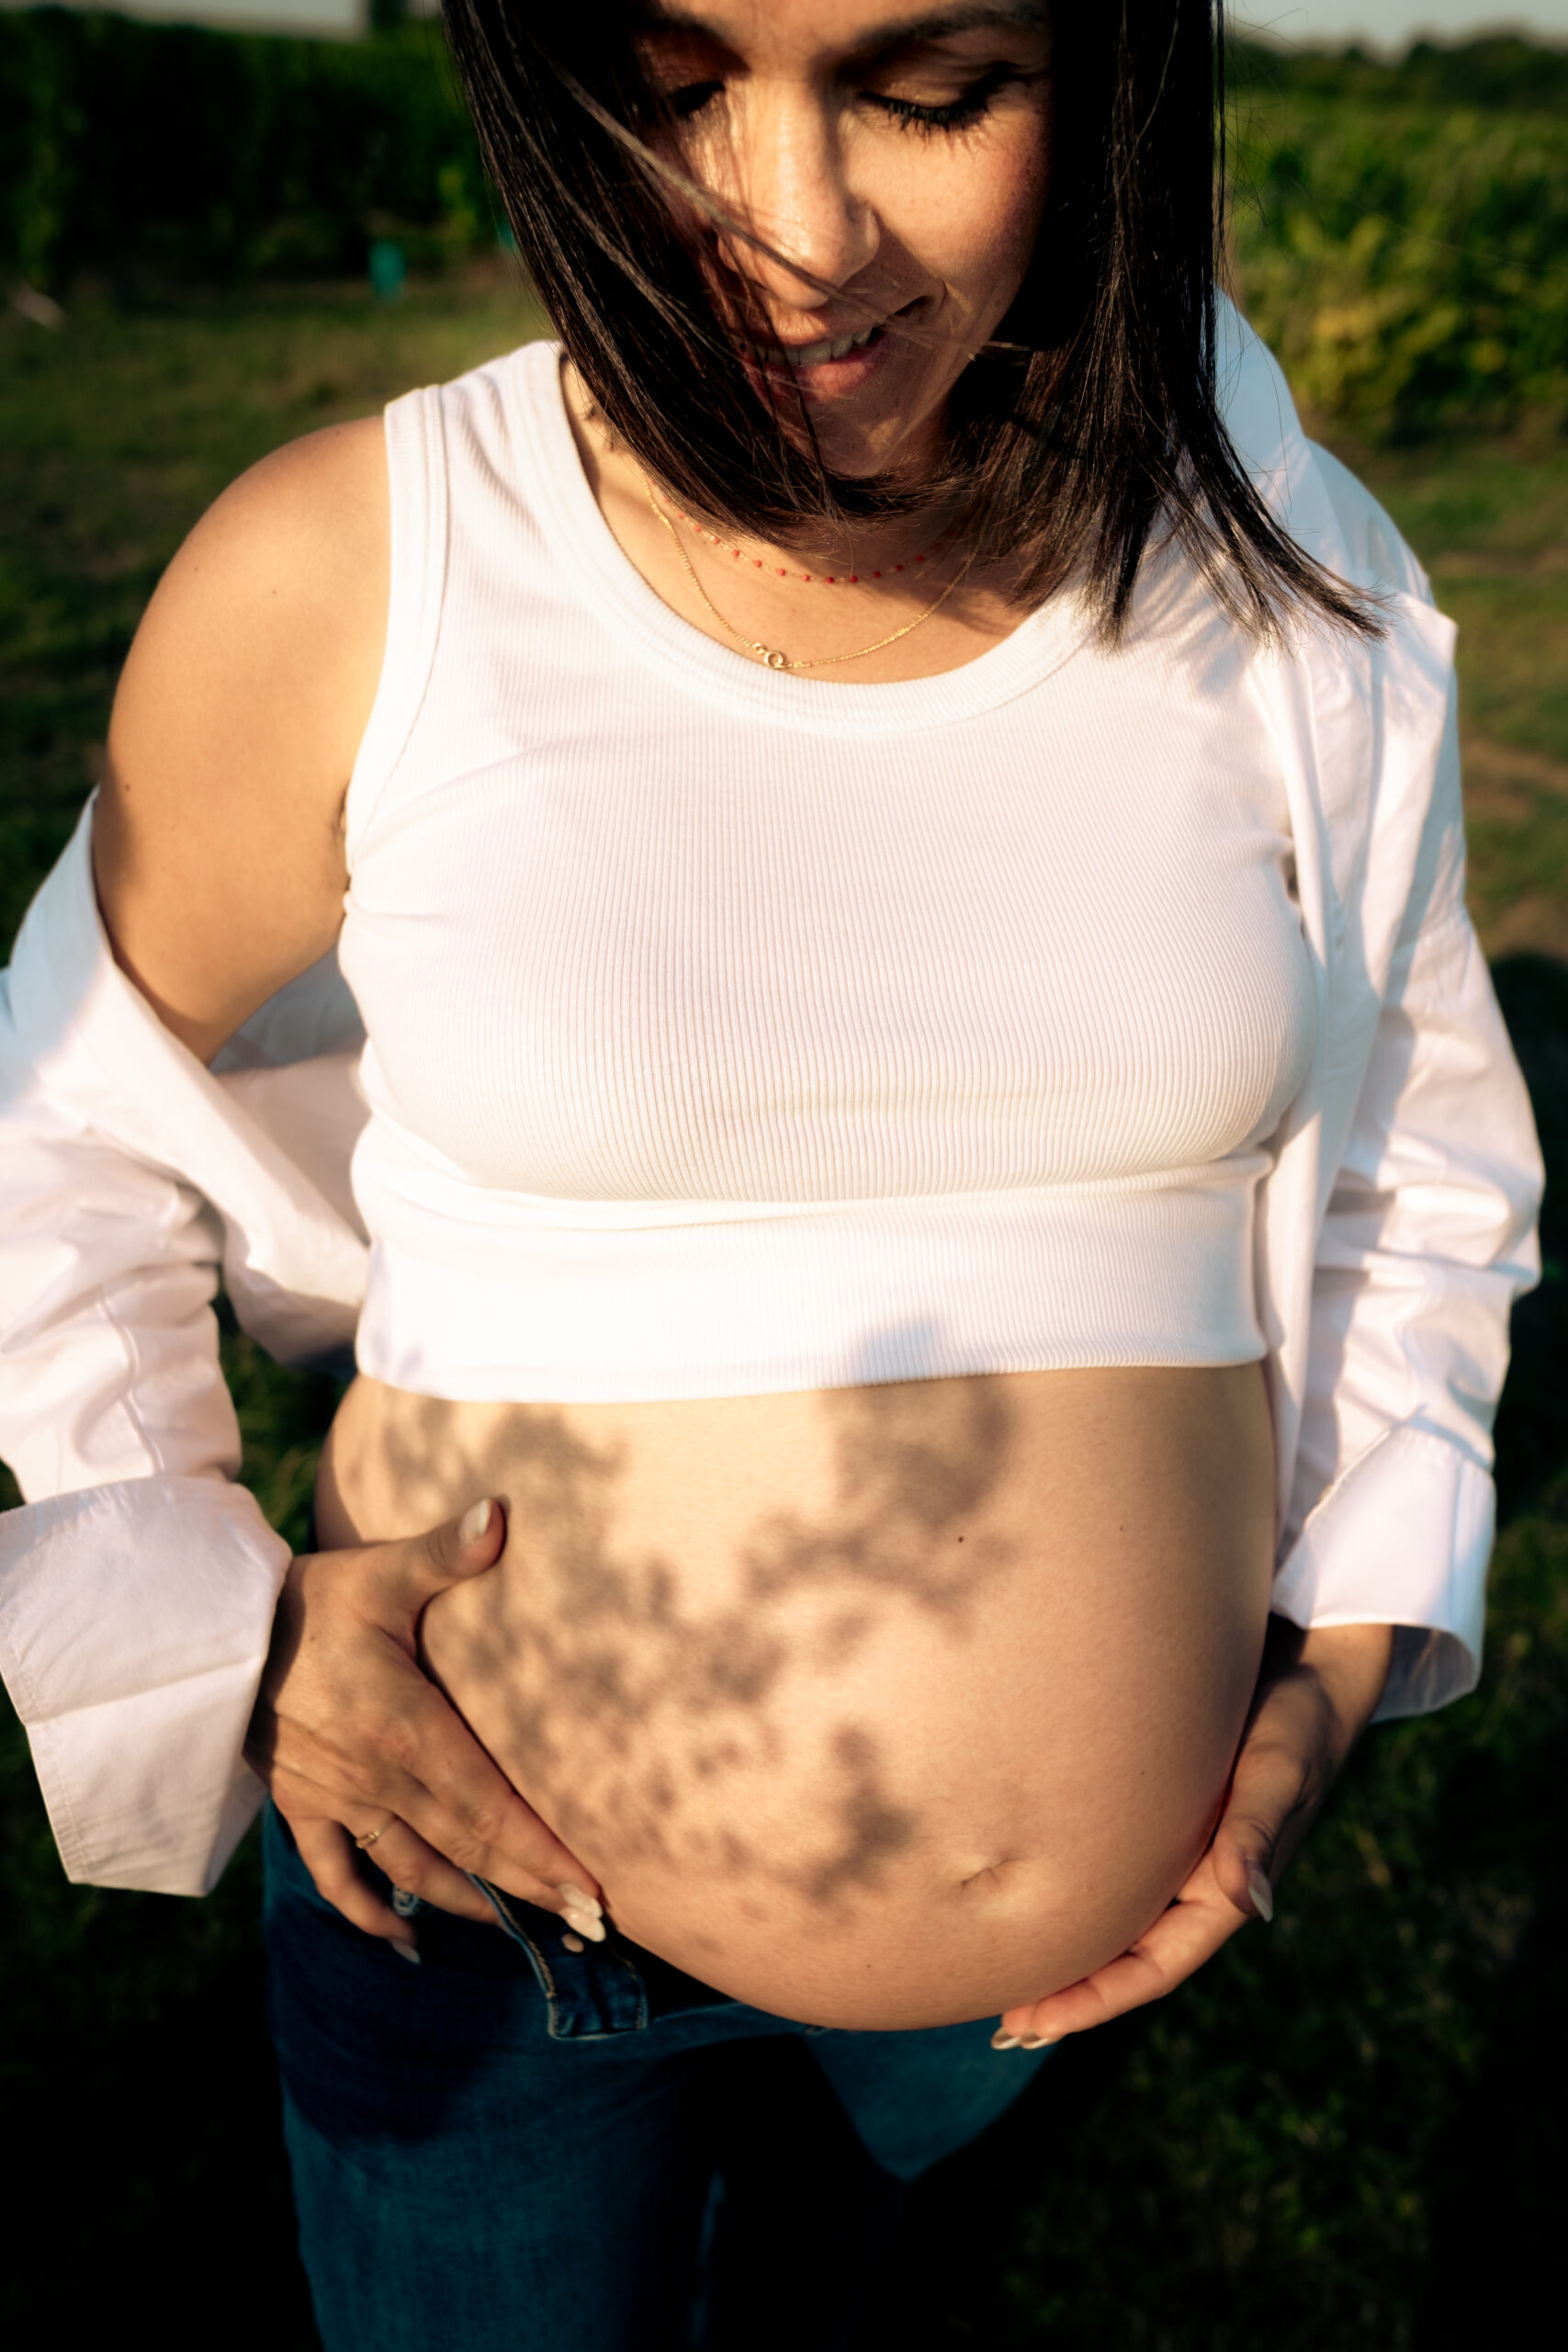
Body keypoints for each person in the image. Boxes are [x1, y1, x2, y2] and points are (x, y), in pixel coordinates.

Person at [0, 1, 1542, 2344]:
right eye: (662, 78)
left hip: (1012, 2016)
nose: (794, 231)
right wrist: (223, 1627)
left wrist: (1339, 1656)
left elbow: (1415, 1153)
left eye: (932, 94)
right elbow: (57, 1116)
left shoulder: (1266, 569)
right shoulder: (365, 567)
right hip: (491, 1942)